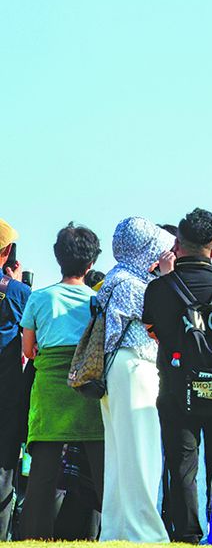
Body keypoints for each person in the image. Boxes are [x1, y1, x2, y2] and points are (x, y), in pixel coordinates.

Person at [142, 209, 212, 543]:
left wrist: (167, 277)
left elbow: (153, 331)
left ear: (177, 244)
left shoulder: (160, 288)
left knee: (182, 466)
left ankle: (187, 534)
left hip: (178, 387)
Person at [18, 223, 105, 539]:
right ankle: (110, 531)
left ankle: (32, 536)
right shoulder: (96, 301)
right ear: (91, 262)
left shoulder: (39, 298)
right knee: (100, 469)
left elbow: (28, 349)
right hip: (87, 387)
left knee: (43, 471)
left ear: (57, 258)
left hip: (51, 389)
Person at [96, 215, 175, 543]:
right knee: (142, 453)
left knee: (119, 458)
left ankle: (116, 531)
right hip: (135, 367)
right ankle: (146, 533)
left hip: (117, 369)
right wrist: (169, 279)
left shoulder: (117, 278)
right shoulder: (136, 285)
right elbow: (168, 319)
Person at [0, 218, 30, 539]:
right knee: (4, 467)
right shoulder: (17, 291)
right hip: (5, 391)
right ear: (7, 250)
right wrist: (17, 284)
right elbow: (31, 341)